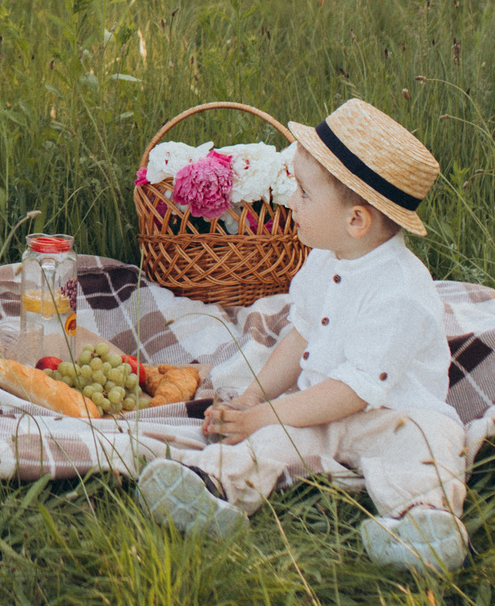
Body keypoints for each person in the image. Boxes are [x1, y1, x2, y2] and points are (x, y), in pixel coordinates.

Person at [137, 98, 469, 572]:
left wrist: (267, 415)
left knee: (426, 446)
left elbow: (354, 392)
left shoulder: (400, 292)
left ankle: (423, 523)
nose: (291, 201)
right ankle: (212, 491)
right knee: (270, 442)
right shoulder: (326, 258)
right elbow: (301, 336)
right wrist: (252, 401)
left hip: (393, 413)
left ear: (357, 221)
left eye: (305, 194)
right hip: (318, 407)